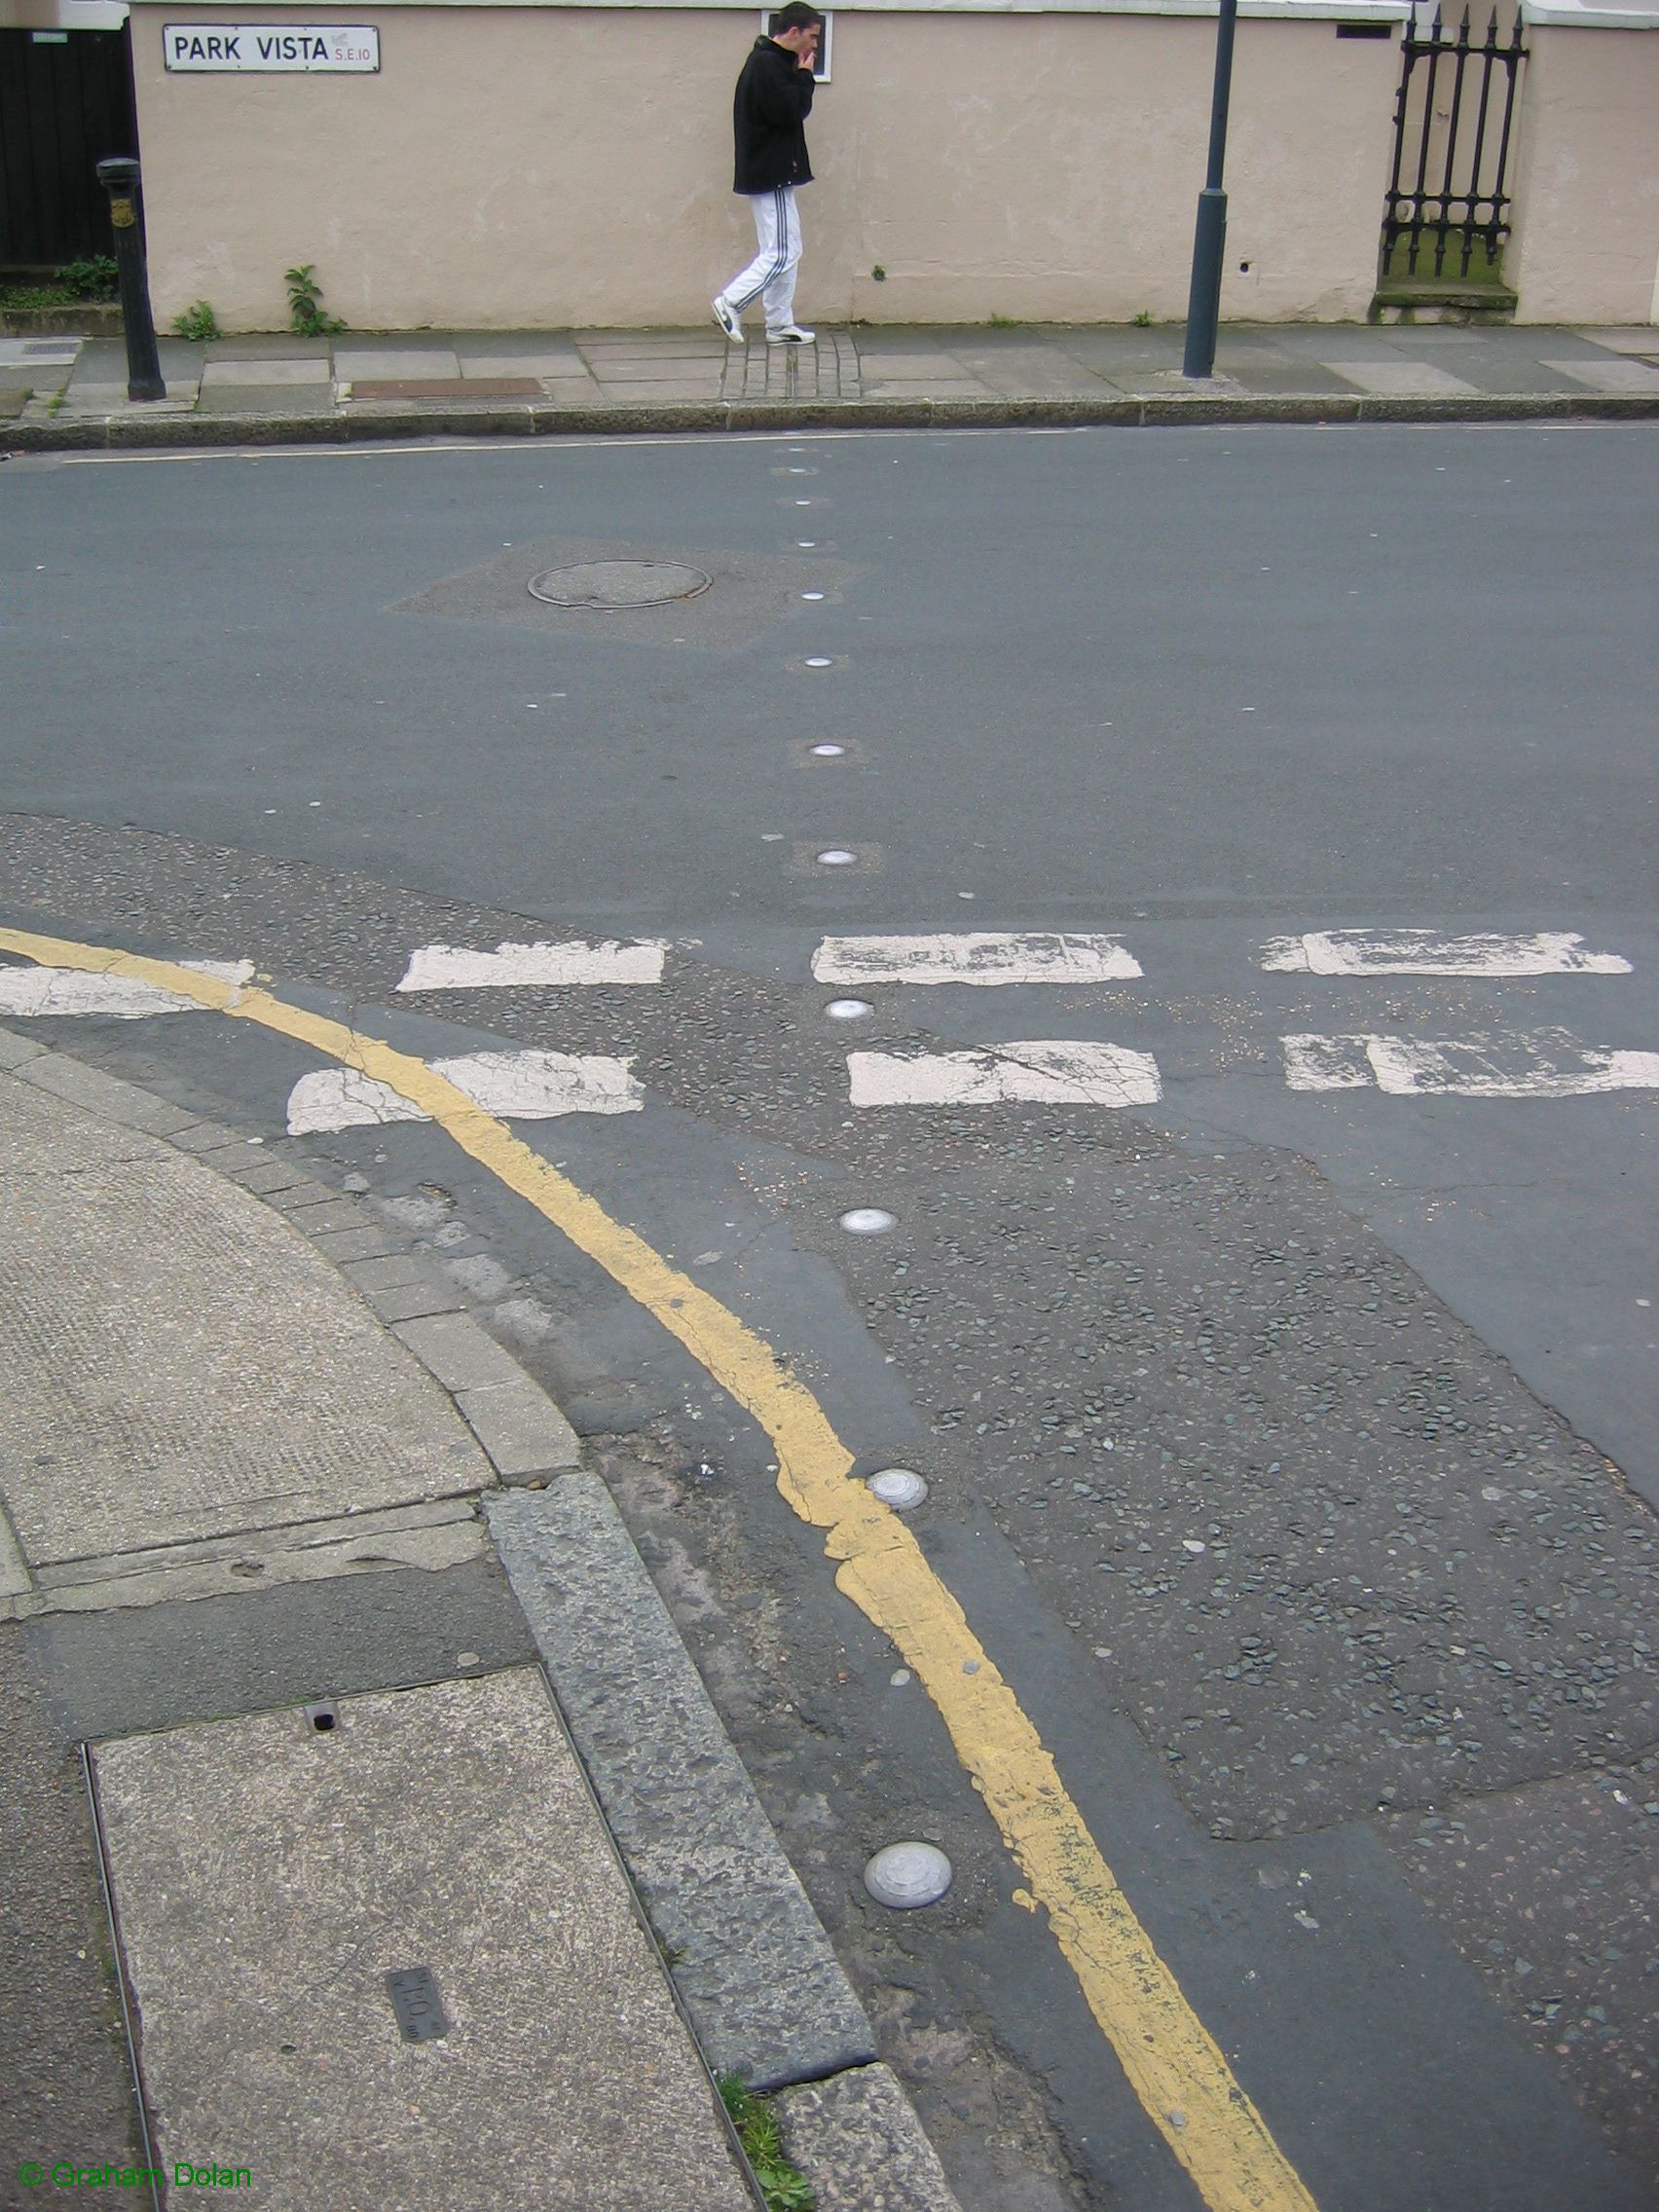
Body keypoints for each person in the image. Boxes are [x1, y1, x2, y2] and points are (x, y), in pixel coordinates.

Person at [712, 3, 825, 348]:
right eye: (813, 37)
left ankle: (779, 323)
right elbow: (791, 110)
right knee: (779, 252)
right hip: (770, 171)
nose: (815, 46)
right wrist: (805, 77)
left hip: (774, 172)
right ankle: (730, 302)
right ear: (793, 33)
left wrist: (798, 74)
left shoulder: (772, 62)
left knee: (790, 248)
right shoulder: (766, 65)